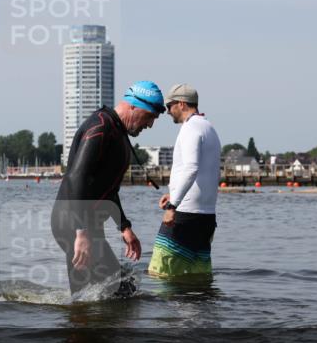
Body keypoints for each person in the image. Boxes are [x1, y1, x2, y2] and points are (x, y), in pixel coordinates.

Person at [50, 81, 164, 298]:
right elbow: (77, 178)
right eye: (149, 117)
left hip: (87, 225)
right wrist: (81, 232)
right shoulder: (100, 127)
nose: (150, 124)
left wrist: (124, 227)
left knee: (120, 289)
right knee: (97, 295)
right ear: (134, 106)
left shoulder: (117, 131)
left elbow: (108, 190)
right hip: (72, 224)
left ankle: (92, 320)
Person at [148, 84, 221, 282]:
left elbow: (191, 168)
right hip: (206, 217)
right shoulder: (209, 128)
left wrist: (173, 205)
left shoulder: (190, 128)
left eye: (169, 106)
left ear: (181, 104)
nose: (167, 112)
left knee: (160, 273)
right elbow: (207, 172)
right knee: (198, 279)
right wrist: (174, 194)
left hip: (185, 215)